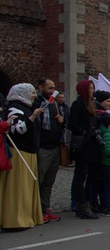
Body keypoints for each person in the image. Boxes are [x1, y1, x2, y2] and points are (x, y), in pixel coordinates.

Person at [0, 83, 44, 229]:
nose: (34, 95)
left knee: (27, 186)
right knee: (18, 187)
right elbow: (17, 130)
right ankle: (16, 219)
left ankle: (28, 215)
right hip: (20, 153)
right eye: (31, 93)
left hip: (29, 151)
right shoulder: (15, 108)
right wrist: (32, 118)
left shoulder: (26, 106)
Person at [69, 80, 102, 219]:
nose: (92, 90)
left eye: (92, 88)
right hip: (83, 145)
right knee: (80, 176)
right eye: (89, 88)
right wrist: (85, 133)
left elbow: (94, 122)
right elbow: (72, 123)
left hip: (91, 145)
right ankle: (81, 205)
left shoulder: (92, 104)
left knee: (89, 176)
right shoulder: (77, 105)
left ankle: (87, 202)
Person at [35, 79, 64, 222]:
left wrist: (61, 121)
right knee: (38, 180)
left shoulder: (54, 104)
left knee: (49, 182)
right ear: (41, 88)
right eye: (49, 88)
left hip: (55, 147)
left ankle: (45, 208)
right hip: (43, 148)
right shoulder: (36, 103)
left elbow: (62, 123)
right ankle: (35, 210)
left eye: (53, 88)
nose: (52, 91)